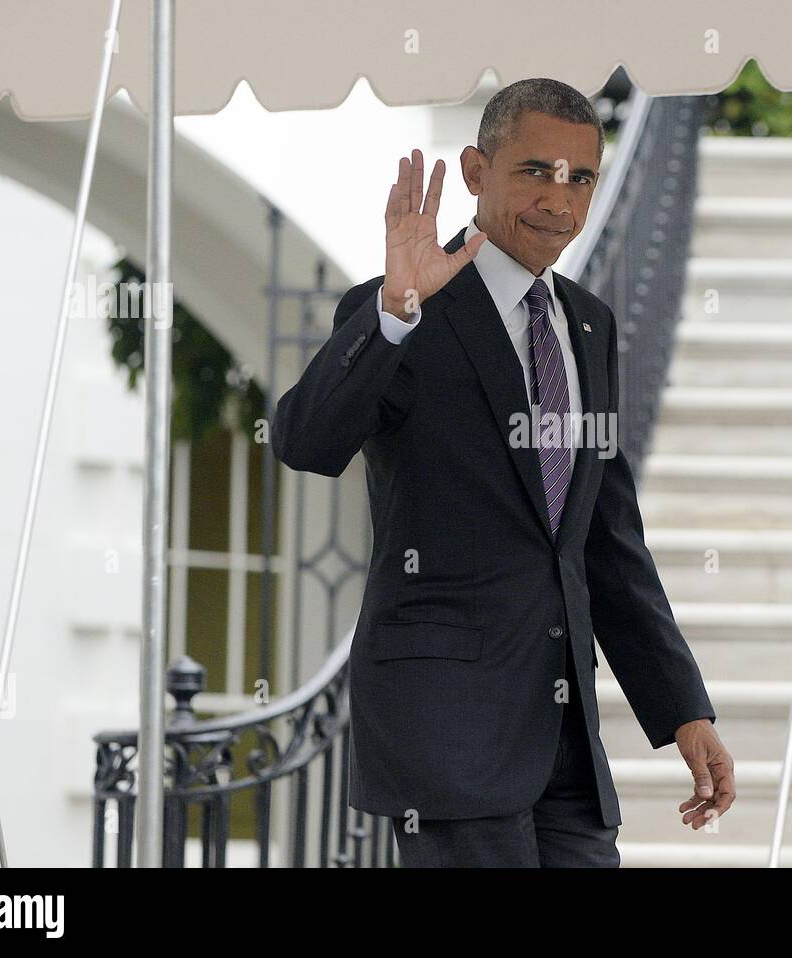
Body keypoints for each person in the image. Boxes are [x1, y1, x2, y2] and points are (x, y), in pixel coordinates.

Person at [272, 77, 734, 867]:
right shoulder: (405, 307)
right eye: (534, 171)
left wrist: (683, 708)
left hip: (564, 743)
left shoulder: (589, 322)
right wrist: (395, 312)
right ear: (478, 172)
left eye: (580, 177)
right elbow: (305, 440)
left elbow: (606, 542)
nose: (560, 199)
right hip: (446, 732)